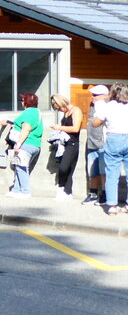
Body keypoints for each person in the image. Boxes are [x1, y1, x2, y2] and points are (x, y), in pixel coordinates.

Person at [90, 82, 128, 215]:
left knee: (112, 173)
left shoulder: (108, 106)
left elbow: (95, 123)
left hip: (114, 138)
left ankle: (112, 205)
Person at [5, 93, 43, 197]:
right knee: (18, 166)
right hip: (35, 144)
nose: (21, 102)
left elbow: (26, 129)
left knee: (21, 168)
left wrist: (18, 144)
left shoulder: (28, 113)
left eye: (22, 100)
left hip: (26, 144)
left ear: (26, 102)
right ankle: (16, 190)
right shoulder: (36, 112)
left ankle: (25, 192)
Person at [48, 93, 83, 201]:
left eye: (59, 108)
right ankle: (67, 192)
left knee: (65, 168)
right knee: (66, 169)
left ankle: (63, 190)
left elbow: (76, 129)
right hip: (64, 143)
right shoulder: (67, 112)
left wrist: (59, 127)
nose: (60, 111)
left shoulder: (76, 111)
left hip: (72, 144)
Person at [83, 85, 109, 205]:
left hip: (104, 144)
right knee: (92, 171)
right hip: (92, 143)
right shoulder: (93, 106)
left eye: (95, 95)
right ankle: (92, 194)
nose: (92, 97)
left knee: (104, 171)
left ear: (104, 96)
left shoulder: (108, 107)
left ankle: (105, 195)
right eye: (92, 95)